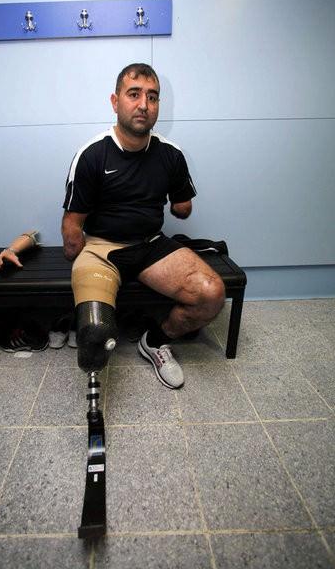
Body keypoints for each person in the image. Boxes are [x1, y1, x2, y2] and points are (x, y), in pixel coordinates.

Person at [61, 63, 225, 389]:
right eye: (134, 94)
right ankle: (83, 329)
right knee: (95, 332)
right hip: (101, 249)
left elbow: (182, 208)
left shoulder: (171, 155)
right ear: (115, 101)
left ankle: (155, 340)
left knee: (212, 293)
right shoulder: (92, 154)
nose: (144, 105)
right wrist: (82, 270)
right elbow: (72, 226)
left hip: (151, 245)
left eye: (152, 97)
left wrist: (180, 204)